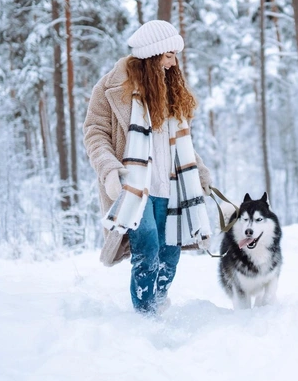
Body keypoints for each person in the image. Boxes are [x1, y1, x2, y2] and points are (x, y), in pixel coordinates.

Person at [83, 20, 212, 315]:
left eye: (175, 56)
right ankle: (144, 316)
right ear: (153, 55)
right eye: (168, 56)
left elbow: (183, 143)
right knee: (148, 250)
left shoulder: (170, 92)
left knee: (171, 253)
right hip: (135, 187)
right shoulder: (110, 88)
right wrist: (109, 169)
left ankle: (158, 302)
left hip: (172, 186)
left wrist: (201, 174)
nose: (173, 63)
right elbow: (94, 132)